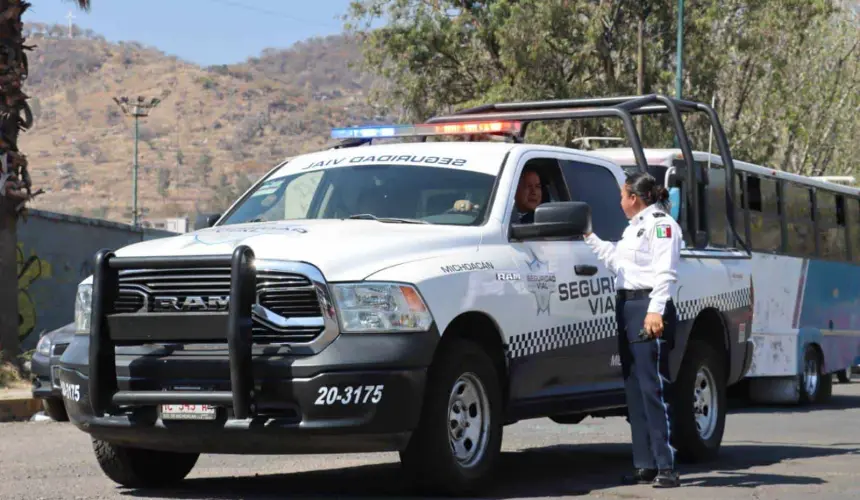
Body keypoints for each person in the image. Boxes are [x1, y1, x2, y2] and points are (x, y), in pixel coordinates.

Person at [583, 172, 683, 488]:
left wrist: (655, 312)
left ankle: (666, 466)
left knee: (653, 387)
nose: (620, 201)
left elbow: (666, 273)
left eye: (622, 195)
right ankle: (645, 464)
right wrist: (589, 237)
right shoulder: (634, 228)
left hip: (647, 308)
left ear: (634, 198)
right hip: (627, 305)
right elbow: (619, 265)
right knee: (634, 388)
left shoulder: (661, 225)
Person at [451, 166, 542, 222]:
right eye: (528, 186)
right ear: (513, 189)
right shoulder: (486, 216)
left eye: (538, 186)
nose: (534, 192)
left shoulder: (542, 221)